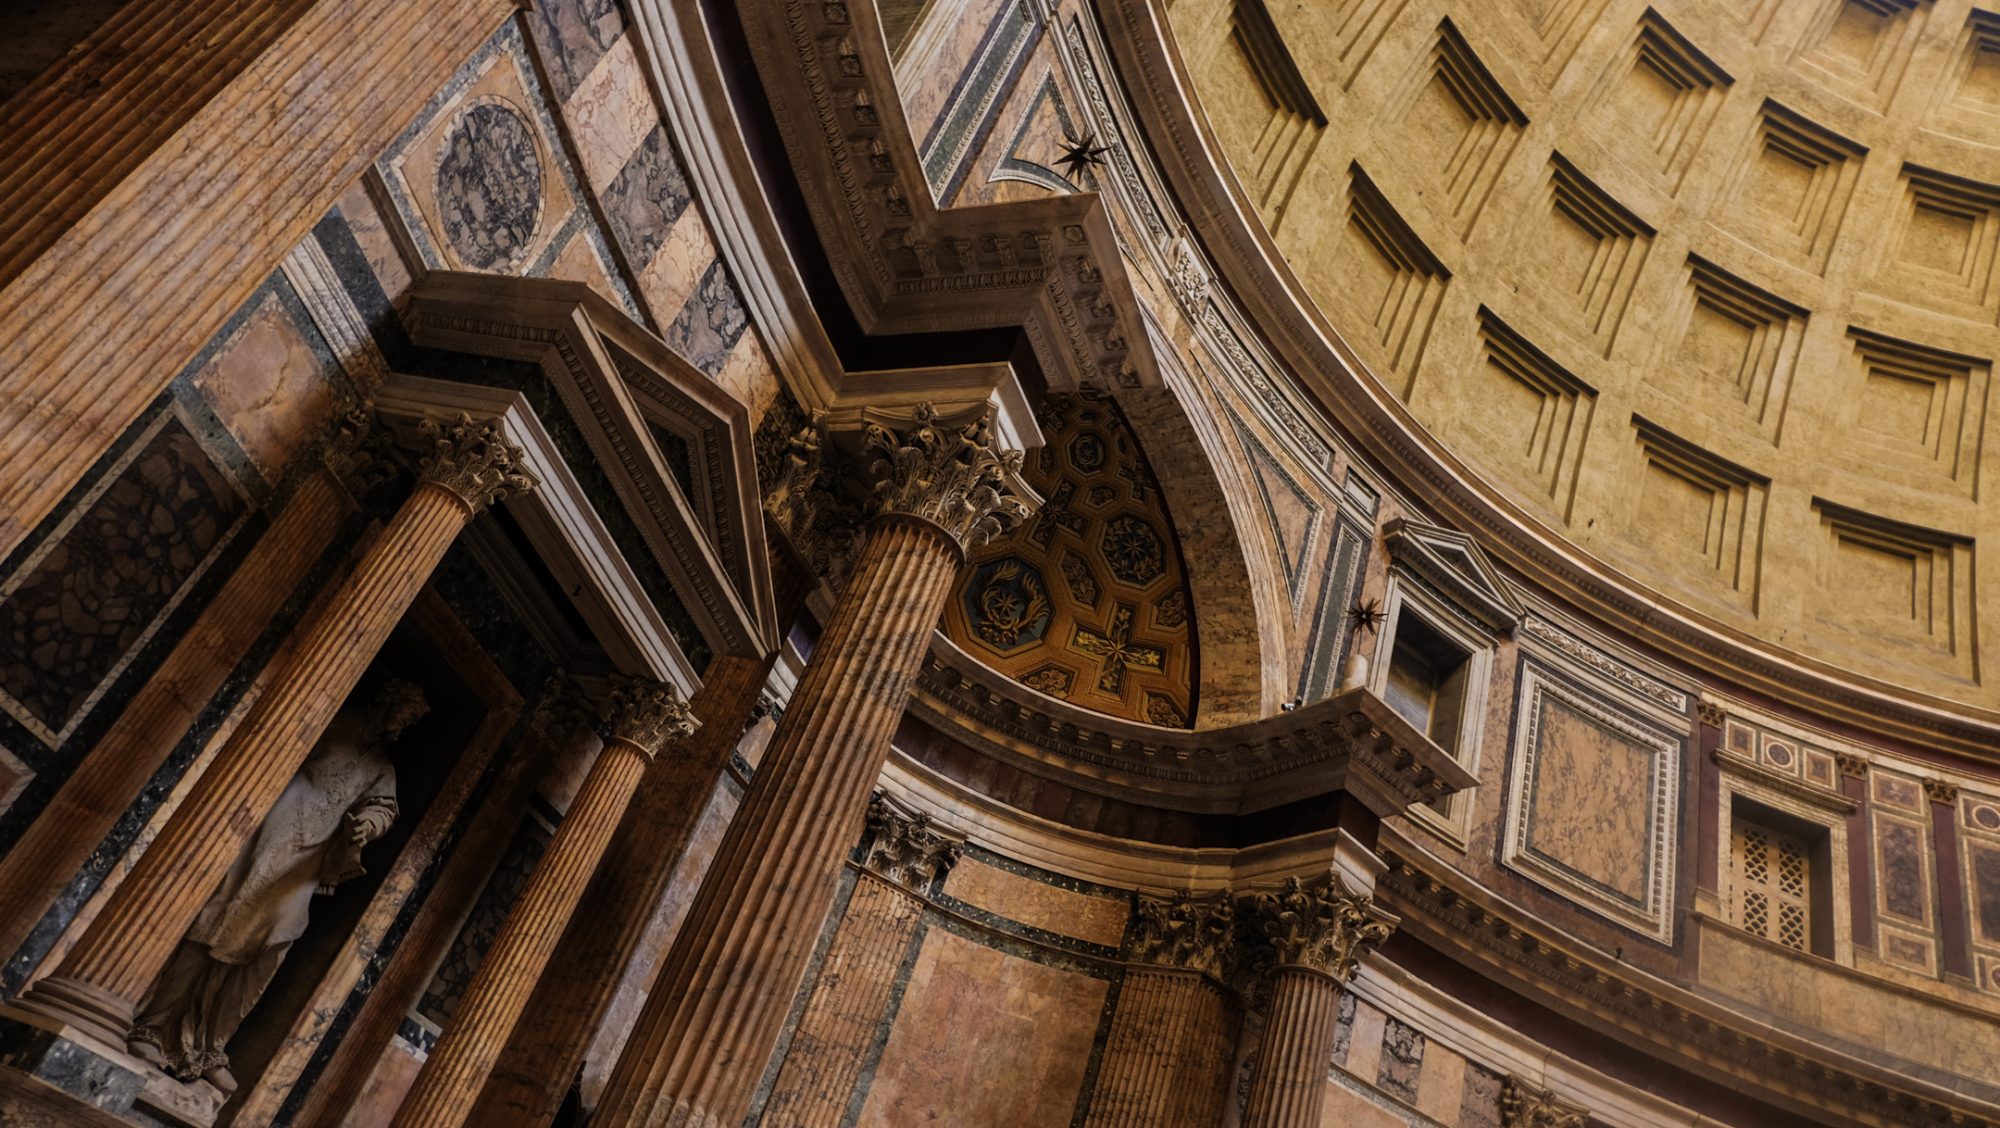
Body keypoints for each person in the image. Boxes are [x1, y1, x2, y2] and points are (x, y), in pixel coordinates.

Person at [126, 680, 428, 1093]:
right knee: (214, 924)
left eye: (412, 723)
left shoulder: (380, 767)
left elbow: (382, 807)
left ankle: (211, 1045)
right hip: (263, 836)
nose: (403, 725)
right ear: (388, 700)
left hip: (303, 863)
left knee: (271, 945)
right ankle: (153, 1026)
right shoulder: (338, 722)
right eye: (404, 714)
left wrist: (368, 826)